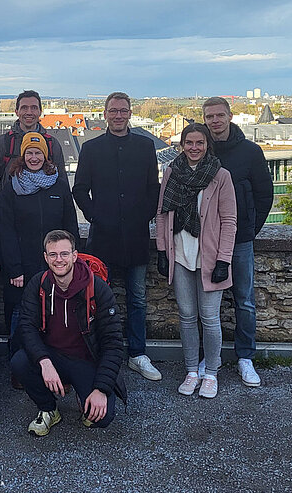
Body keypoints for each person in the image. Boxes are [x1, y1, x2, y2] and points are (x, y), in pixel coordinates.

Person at [72, 91, 162, 382]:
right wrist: (95, 216)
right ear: (105, 114)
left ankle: (137, 354)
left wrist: (144, 215)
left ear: (130, 113)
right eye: (114, 111)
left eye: (123, 111)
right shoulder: (92, 148)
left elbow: (153, 188)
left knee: (137, 298)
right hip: (103, 238)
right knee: (98, 298)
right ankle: (101, 352)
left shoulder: (145, 146)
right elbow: (79, 189)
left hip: (136, 235)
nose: (119, 115)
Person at [10, 230, 125, 436]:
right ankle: (48, 409)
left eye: (64, 254)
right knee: (20, 361)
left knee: (102, 417)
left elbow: (113, 343)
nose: (59, 260)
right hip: (51, 355)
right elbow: (26, 327)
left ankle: (85, 394)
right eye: (53, 254)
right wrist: (44, 361)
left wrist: (101, 389)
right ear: (45, 257)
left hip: (85, 360)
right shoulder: (38, 284)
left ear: (74, 256)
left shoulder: (97, 288)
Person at [156, 123, 237, 398]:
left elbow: (229, 221)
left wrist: (224, 260)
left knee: (210, 318)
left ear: (207, 145)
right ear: (181, 145)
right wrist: (162, 250)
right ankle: (192, 370)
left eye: (199, 143)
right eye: (189, 143)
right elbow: (162, 213)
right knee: (187, 316)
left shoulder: (220, 175)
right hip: (180, 255)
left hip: (210, 257)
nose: (194, 147)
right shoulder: (171, 172)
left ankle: (211, 372)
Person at [203, 96, 274, 387]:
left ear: (230, 116)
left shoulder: (250, 152)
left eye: (219, 115)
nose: (215, 121)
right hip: (207, 239)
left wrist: (249, 230)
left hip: (240, 239)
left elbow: (264, 194)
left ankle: (245, 357)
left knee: (244, 300)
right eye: (210, 116)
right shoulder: (200, 149)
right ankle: (209, 357)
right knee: (208, 302)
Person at [0, 132, 81, 354]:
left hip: (55, 264)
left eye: (38, 153)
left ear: (45, 156)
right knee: (20, 311)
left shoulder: (59, 186)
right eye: (29, 153)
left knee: (55, 312)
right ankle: (18, 359)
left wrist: (72, 260)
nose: (33, 158)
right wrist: (14, 268)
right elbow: (5, 230)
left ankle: (52, 359)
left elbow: (70, 225)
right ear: (22, 156)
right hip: (22, 266)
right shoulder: (11, 188)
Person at [0, 90, 66, 189]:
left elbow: (62, 180)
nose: (29, 112)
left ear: (40, 112)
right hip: (9, 198)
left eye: (34, 108)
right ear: (16, 112)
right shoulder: (3, 142)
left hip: (45, 198)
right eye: (24, 108)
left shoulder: (51, 143)